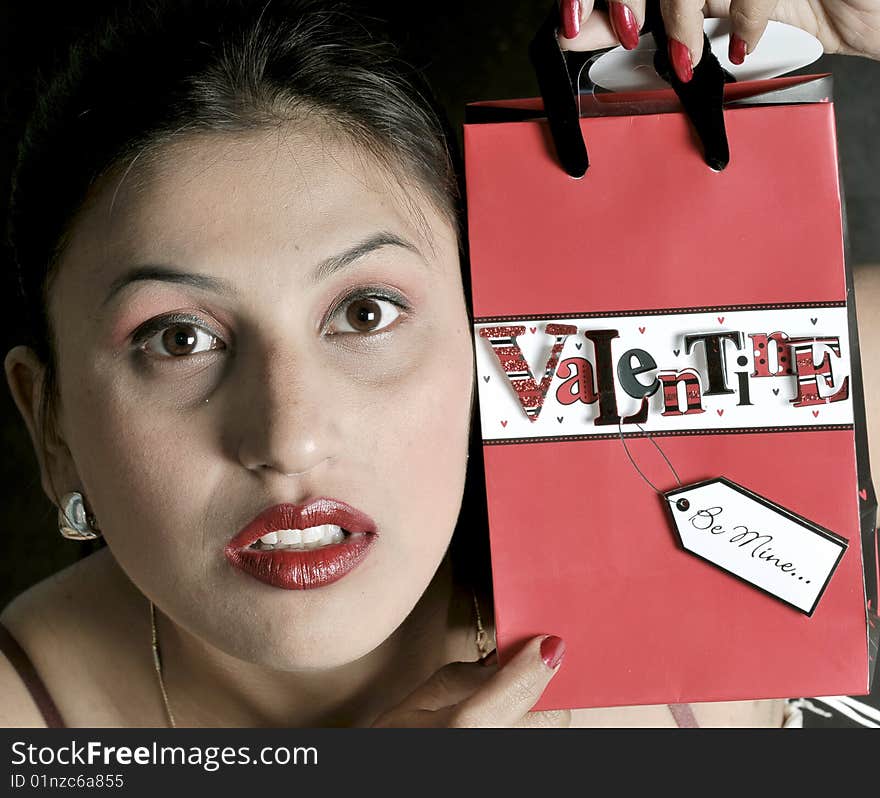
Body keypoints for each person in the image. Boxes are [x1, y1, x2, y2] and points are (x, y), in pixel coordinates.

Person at [1, 0, 878, 728]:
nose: (290, 438)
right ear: (51, 424)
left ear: (485, 331)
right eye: (178, 338)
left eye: (364, 312)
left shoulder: (787, 418)